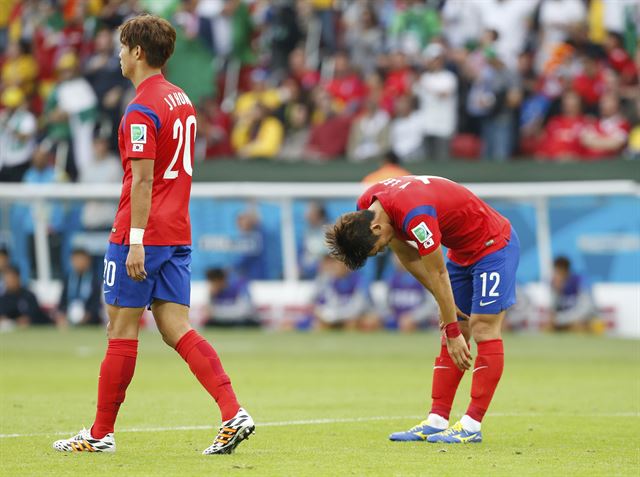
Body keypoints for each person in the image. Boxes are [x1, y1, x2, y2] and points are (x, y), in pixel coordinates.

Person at [53, 15, 254, 456]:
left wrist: (137, 238)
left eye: (122, 48)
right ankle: (232, 411)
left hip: (140, 232)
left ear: (138, 52)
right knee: (174, 326)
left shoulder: (141, 108)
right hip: (178, 228)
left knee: (121, 328)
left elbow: (143, 181)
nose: (119, 55)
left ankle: (101, 432)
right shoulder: (181, 99)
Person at [325, 175, 520, 443]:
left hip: (493, 247)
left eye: (377, 249)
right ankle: (437, 420)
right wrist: (447, 311)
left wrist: (451, 324)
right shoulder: (369, 206)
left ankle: (472, 424)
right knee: (455, 329)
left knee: (482, 326)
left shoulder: (415, 215)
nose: (381, 251)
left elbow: (437, 271)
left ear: (377, 230)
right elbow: (407, 254)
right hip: (461, 254)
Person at [55, 248, 103, 327]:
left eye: (82, 260)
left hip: (90, 322)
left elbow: (96, 304)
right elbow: (62, 301)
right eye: (76, 260)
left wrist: (87, 317)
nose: (79, 263)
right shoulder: (68, 279)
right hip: (69, 320)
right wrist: (61, 316)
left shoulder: (95, 280)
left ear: (88, 261)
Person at [549, 256, 596, 332]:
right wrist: (556, 291)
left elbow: (586, 309)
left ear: (564, 270)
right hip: (564, 321)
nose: (555, 274)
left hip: (584, 320)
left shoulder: (580, 281)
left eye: (557, 271)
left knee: (579, 326)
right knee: (549, 326)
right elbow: (553, 311)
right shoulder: (555, 284)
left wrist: (561, 319)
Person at [0, 265, 50, 331]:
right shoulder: (3, 299)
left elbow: (29, 319)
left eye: (11, 278)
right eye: (7, 279)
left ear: (18, 278)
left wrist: (13, 322)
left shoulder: (29, 296)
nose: (9, 282)